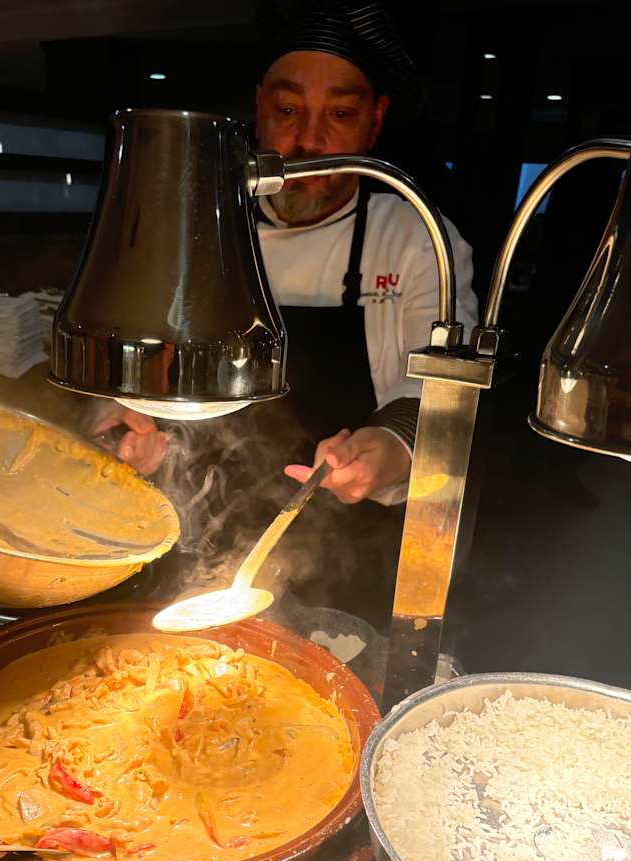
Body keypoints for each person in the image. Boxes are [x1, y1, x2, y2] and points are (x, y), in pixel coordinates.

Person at [88, 0, 479, 629]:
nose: (309, 141)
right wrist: (139, 427)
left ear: (375, 120)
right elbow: (161, 364)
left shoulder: (416, 239)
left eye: (341, 114)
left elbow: (437, 395)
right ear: (259, 108)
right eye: (288, 111)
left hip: (353, 544)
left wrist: (387, 446)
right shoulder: (204, 228)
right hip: (208, 526)